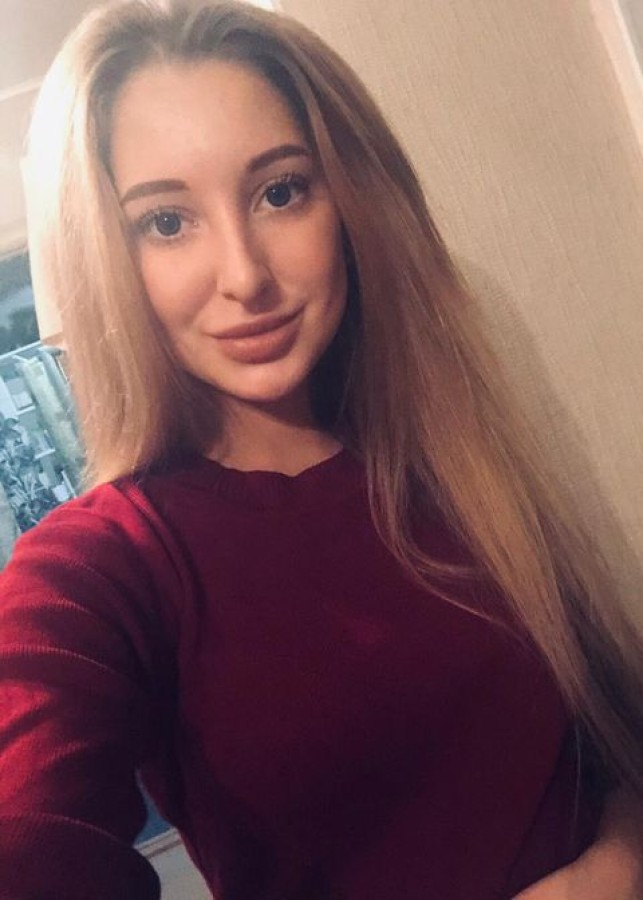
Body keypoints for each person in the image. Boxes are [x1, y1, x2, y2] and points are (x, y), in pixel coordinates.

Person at [1, 1, 642, 898]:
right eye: (166, 222)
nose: (244, 275)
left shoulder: (449, 459)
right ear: (110, 255)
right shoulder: (103, 566)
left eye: (280, 192)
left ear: (349, 201)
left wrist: (617, 861)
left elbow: (598, 744)